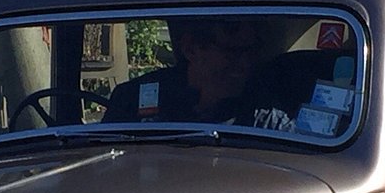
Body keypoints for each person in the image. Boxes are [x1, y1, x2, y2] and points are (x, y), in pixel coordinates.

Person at [102, 17, 292, 129]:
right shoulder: (133, 99)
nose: (244, 63)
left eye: (250, 52)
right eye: (232, 52)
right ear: (191, 49)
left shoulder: (265, 116)